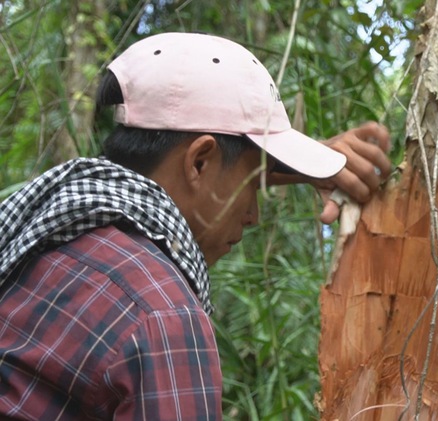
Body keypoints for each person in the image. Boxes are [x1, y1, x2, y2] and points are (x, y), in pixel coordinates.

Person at [0, 32, 390, 419]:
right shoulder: (162, 316)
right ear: (199, 162)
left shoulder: (45, 228)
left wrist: (301, 164)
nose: (254, 214)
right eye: (255, 184)